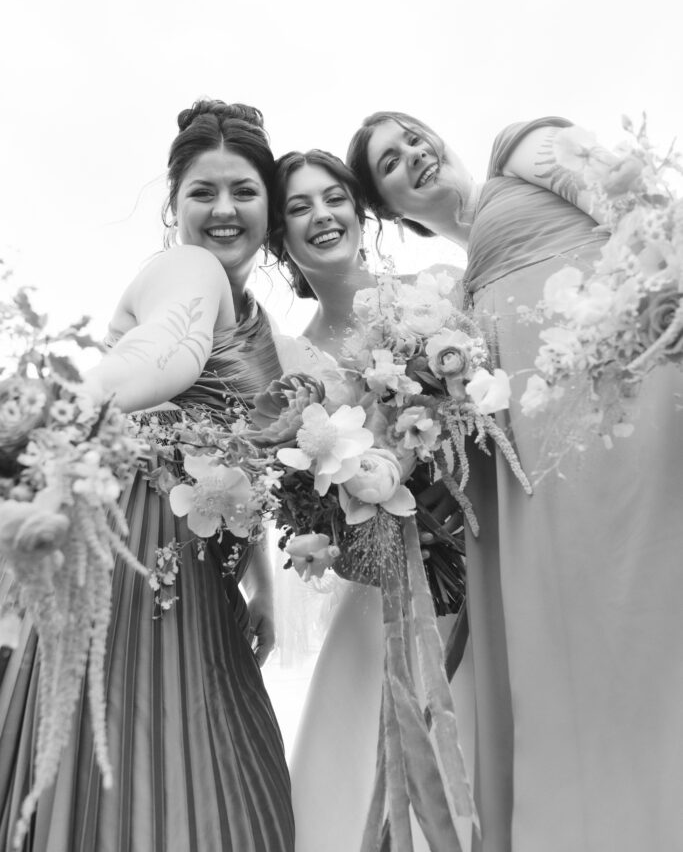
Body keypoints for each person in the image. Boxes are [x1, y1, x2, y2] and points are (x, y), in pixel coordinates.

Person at [347, 112, 683, 852]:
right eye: (392, 162)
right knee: (586, 653)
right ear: (388, 209)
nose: (415, 154)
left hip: (631, 413)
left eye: (414, 137)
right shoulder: (447, 296)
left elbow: (645, 214)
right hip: (547, 480)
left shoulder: (523, 147)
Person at [0, 100, 295, 852]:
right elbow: (167, 353)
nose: (223, 210)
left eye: (243, 192)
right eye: (202, 192)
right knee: (153, 774)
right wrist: (55, 418)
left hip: (205, 572)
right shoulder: (186, 268)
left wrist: (258, 574)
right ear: (173, 206)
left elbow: (232, 454)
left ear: (268, 207)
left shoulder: (252, 316)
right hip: (138, 550)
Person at [268, 148, 474, 852]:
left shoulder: (436, 291)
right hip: (384, 587)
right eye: (297, 208)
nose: (320, 216)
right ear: (281, 240)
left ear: (357, 211)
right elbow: (308, 506)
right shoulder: (290, 366)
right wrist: (382, 537)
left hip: (484, 560)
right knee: (355, 771)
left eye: (332, 198)